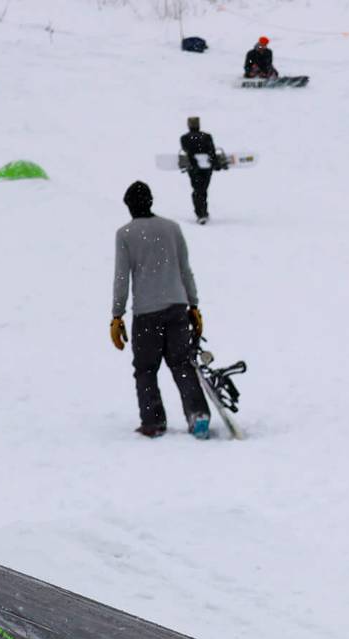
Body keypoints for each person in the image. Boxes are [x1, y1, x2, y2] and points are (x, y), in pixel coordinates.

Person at [111, 182, 211, 439]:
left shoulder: (125, 234)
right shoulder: (172, 228)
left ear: (129, 206)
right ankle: (197, 414)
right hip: (177, 307)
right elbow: (185, 269)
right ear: (151, 201)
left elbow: (122, 278)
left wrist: (117, 315)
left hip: (146, 313)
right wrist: (194, 305)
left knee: (145, 369)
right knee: (182, 365)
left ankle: (153, 421)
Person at [179, 116, 219, 224]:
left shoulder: (184, 138)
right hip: (207, 167)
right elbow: (212, 152)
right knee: (203, 189)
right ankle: (203, 212)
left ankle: (201, 213)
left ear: (188, 125)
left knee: (197, 190)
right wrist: (216, 164)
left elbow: (187, 152)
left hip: (194, 167)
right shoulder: (206, 136)